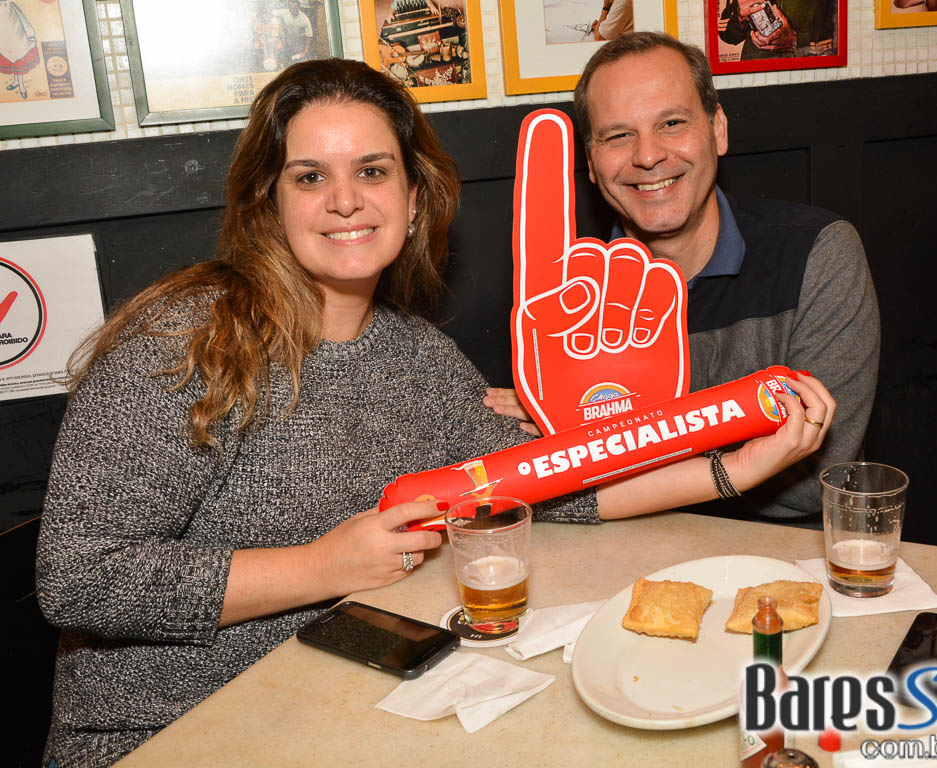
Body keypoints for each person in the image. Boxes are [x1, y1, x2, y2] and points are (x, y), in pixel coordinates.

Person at [36, 57, 833, 768]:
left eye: (373, 171)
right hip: (173, 731)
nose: (345, 201)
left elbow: (550, 484)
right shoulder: (192, 338)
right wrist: (322, 566)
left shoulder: (417, 356)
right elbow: (76, 576)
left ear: (414, 200)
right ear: (267, 202)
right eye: (310, 177)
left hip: (344, 707)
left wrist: (733, 469)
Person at [487, 32, 877, 522]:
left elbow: (816, 480)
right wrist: (565, 428)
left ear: (718, 129)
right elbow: (541, 491)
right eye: (617, 135)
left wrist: (588, 439)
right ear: (590, 162)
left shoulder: (817, 251)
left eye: (672, 123)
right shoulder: (564, 300)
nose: (648, 156)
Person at [718, 0, 835, 59]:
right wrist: (740, 17)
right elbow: (725, 31)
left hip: (806, 71)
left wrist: (796, 40)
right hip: (755, 72)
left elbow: (841, 30)